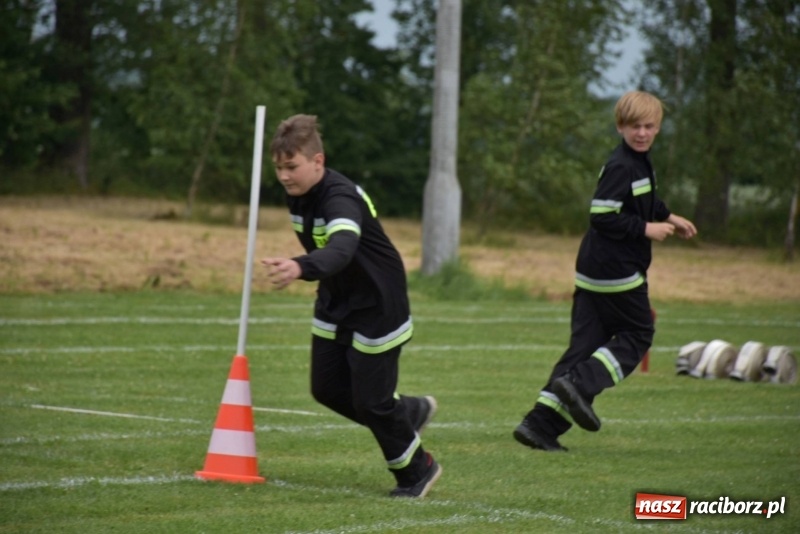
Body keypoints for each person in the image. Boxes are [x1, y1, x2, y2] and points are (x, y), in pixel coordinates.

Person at [261, 114, 442, 497]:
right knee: (326, 388)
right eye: (278, 168)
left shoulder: (340, 197)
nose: (284, 176)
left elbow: (341, 249)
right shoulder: (297, 193)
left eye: (291, 167)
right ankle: (409, 412)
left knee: (372, 402)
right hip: (335, 299)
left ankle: (417, 471)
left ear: (318, 161)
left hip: (378, 302)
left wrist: (300, 265)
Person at [513, 91, 697, 451]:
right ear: (620, 127)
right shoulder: (622, 165)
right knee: (638, 334)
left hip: (593, 271)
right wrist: (647, 229)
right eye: (634, 127)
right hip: (616, 271)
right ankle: (581, 384)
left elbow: (642, 201)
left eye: (648, 126)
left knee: (583, 347)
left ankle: (539, 426)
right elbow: (602, 215)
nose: (641, 133)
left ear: (658, 128)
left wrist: (668, 216)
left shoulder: (639, 162)